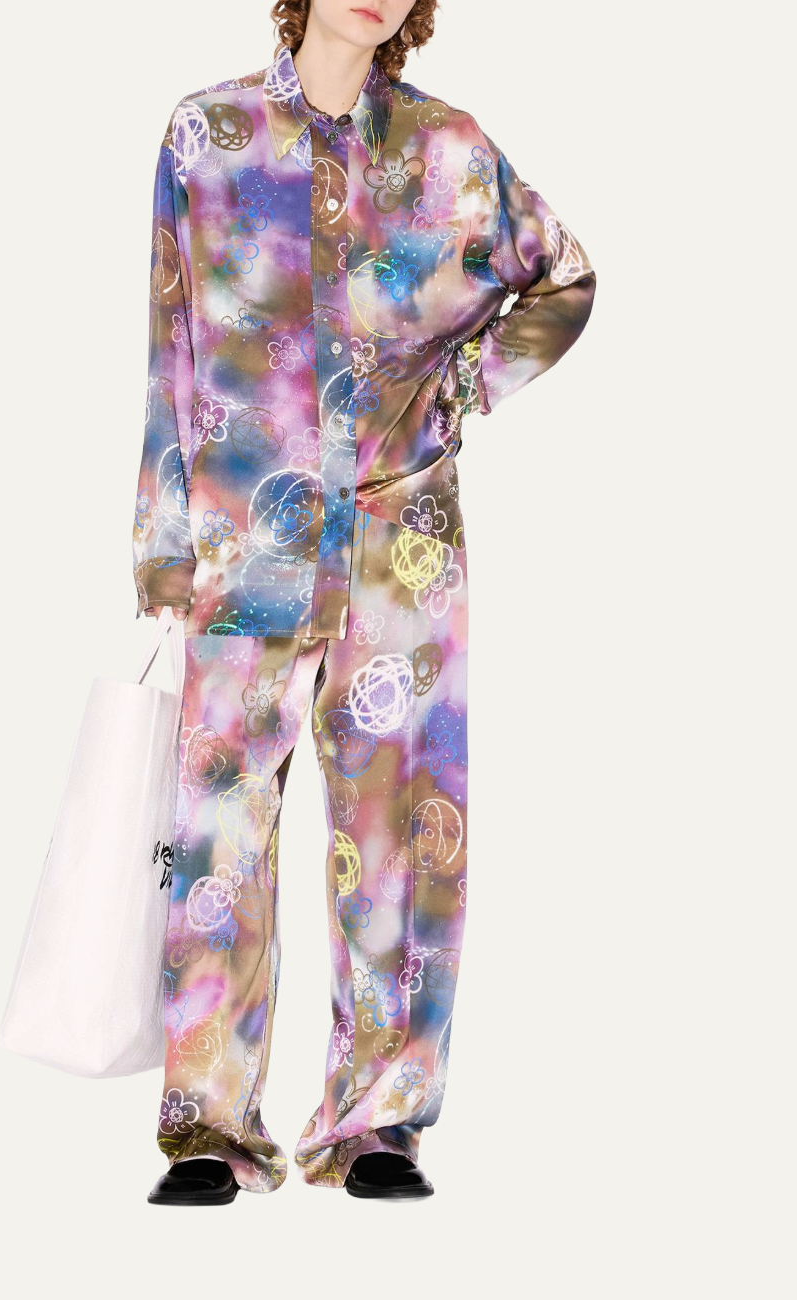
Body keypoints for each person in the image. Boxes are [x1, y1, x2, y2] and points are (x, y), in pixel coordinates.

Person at [135, 0, 595, 1204]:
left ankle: (379, 1124)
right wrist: (164, 544)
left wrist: (457, 390)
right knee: (219, 837)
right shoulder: (208, 136)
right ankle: (208, 1126)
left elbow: (563, 275)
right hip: (245, 543)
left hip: (403, 552)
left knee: (400, 836)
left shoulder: (450, 151)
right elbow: (173, 345)